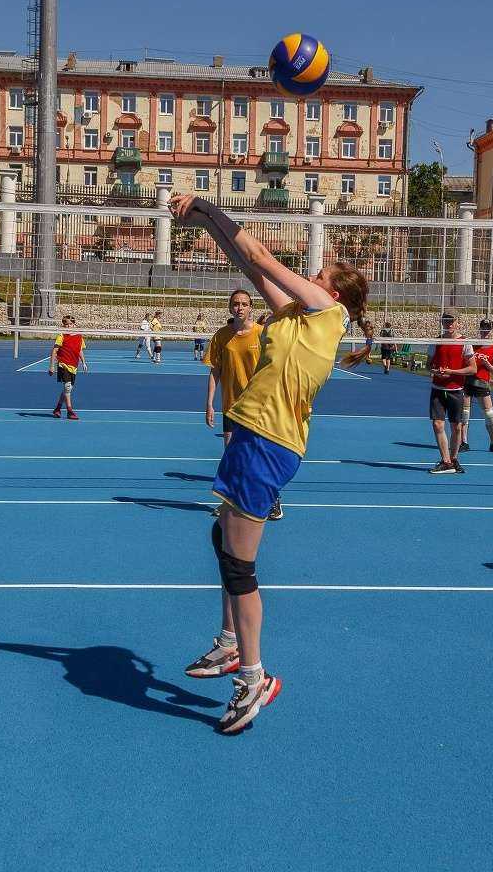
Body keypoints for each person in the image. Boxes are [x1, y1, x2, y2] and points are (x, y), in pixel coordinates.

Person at [169, 192, 368, 733]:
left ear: (333, 292)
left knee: (240, 567)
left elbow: (259, 255)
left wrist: (210, 203)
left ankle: (252, 679)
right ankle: (231, 642)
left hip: (268, 443)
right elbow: (246, 263)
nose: (309, 275)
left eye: (318, 272)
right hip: (251, 434)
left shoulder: (329, 314)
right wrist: (204, 221)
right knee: (221, 540)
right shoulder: (293, 319)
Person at [203, 289, 281, 522]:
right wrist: (209, 403)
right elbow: (215, 370)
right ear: (230, 307)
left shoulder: (261, 333)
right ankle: (230, 503)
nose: (239, 307)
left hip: (258, 407)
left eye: (244, 304)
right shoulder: (221, 336)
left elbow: (274, 367)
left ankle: (272, 500)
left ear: (250, 308)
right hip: (231, 406)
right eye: (235, 303)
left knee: (258, 457)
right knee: (232, 457)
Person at [427, 312, 474, 474]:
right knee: (437, 424)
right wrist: (437, 371)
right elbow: (429, 365)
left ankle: (454, 459)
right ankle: (446, 461)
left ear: (457, 322)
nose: (449, 324)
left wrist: (451, 372)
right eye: (446, 321)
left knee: (457, 427)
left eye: (451, 321)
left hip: (456, 390)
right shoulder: (437, 341)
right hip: (438, 390)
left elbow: (472, 368)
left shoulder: (465, 343)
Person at [459, 319, 493, 454]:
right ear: (479, 329)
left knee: (490, 414)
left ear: (491, 331)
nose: (485, 331)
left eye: (488, 329)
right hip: (467, 381)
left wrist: (487, 364)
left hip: (482, 383)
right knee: (465, 413)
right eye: (483, 328)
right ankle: (464, 442)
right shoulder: (472, 345)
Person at [49, 314, 88, 419]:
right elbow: (54, 351)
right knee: (67, 387)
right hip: (63, 363)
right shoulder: (61, 336)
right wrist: (52, 366)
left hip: (74, 365)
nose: (68, 326)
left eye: (70, 324)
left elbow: (80, 350)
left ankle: (57, 408)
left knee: (68, 388)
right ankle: (70, 411)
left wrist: (83, 362)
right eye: (66, 324)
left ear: (74, 325)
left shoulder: (79, 336)